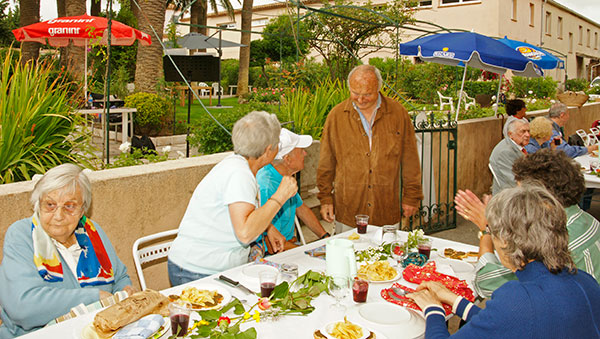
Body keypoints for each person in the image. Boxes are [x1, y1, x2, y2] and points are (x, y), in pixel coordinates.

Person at [409, 184, 600, 338]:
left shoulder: (518, 298)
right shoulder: (583, 280)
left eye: (492, 233)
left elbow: (513, 314)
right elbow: (501, 323)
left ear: (507, 241)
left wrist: (433, 310)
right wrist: (453, 299)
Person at [0, 164, 133, 338]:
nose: (58, 215)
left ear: (82, 210)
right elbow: (22, 306)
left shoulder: (92, 233)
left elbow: (120, 277)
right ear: (37, 205)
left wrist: (126, 293)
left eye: (69, 206)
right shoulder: (22, 235)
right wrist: (95, 298)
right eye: (50, 204)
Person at [167, 111, 297, 285]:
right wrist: (280, 197)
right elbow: (244, 233)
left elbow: (243, 213)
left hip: (207, 267)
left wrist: (268, 227)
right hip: (198, 270)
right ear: (267, 150)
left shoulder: (238, 165)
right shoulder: (239, 174)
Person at [456, 149, 600, 297]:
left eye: (521, 195)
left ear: (542, 199)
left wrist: (487, 230)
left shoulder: (553, 243)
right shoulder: (589, 221)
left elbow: (486, 282)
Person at [317, 64, 423, 233]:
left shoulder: (398, 114)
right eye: (355, 93)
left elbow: (410, 160)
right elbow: (326, 162)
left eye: (367, 94)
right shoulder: (336, 117)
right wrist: (325, 198)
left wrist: (412, 197)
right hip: (349, 210)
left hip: (386, 209)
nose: (360, 99)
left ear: (379, 89)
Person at [256, 128, 329, 252]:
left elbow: (301, 208)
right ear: (287, 159)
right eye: (301, 151)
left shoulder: (284, 177)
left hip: (291, 245)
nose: (305, 154)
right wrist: (307, 252)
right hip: (277, 253)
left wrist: (325, 237)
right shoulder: (267, 186)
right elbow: (271, 244)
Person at [488, 119, 530, 194]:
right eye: (523, 131)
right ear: (510, 134)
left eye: (528, 131)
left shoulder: (516, 146)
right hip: (508, 197)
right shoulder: (505, 151)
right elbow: (514, 181)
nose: (527, 135)